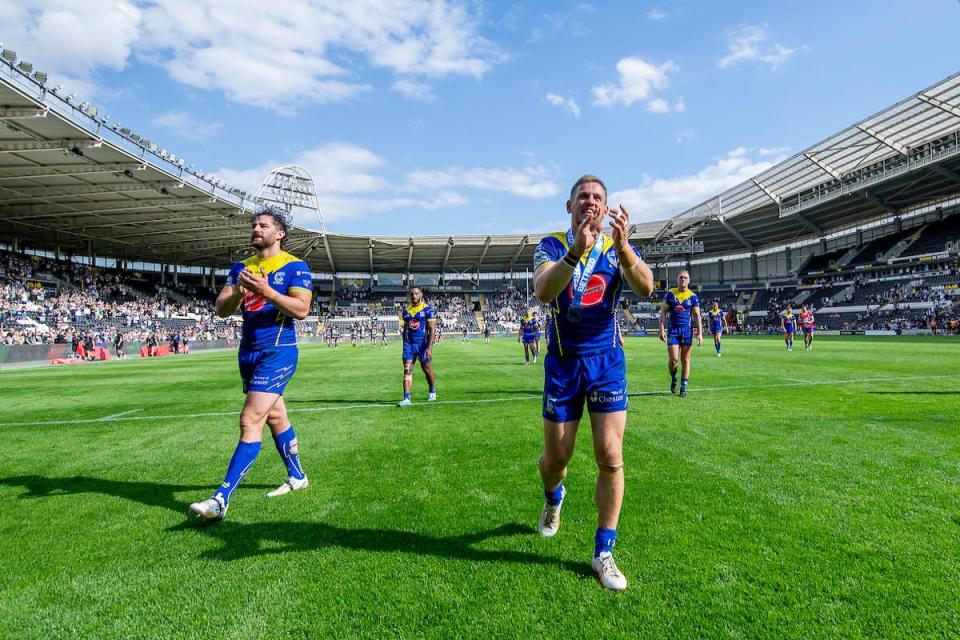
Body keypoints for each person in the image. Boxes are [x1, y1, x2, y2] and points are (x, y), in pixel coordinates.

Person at [532, 175, 654, 591]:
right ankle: (553, 498)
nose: (590, 202)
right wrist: (575, 252)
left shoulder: (616, 245)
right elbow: (544, 292)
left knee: (610, 454)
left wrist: (623, 249)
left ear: (606, 207)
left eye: (598, 197)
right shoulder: (550, 244)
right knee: (556, 462)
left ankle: (604, 551)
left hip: (606, 363)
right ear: (569, 207)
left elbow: (647, 287)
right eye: (582, 196)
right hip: (563, 365)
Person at [189, 206, 313, 521]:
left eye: (263, 225)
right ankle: (297, 476)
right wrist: (240, 293)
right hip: (248, 351)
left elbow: (301, 309)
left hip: (278, 350)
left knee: (250, 420)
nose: (256, 228)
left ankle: (221, 500)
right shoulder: (241, 267)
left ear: (280, 234)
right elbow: (221, 309)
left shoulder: (295, 267)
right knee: (275, 416)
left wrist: (266, 291)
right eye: (254, 224)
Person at [658, 271, 702, 397]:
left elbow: (697, 316)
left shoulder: (693, 297)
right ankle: (673, 377)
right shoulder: (670, 294)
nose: (683, 279)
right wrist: (661, 328)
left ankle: (683, 388)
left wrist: (700, 333)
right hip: (673, 331)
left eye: (685, 277)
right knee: (674, 360)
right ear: (677, 279)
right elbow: (663, 312)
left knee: (686, 360)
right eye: (681, 277)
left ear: (689, 280)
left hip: (687, 332)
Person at [398, 286, 437, 406]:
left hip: (422, 345)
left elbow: (432, 330)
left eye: (416, 294)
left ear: (420, 295)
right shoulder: (406, 312)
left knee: (426, 369)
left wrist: (429, 348)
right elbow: (405, 330)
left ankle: (432, 390)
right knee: (407, 370)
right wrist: (405, 344)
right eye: (412, 294)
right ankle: (407, 398)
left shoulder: (428, 310)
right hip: (409, 345)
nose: (414, 296)